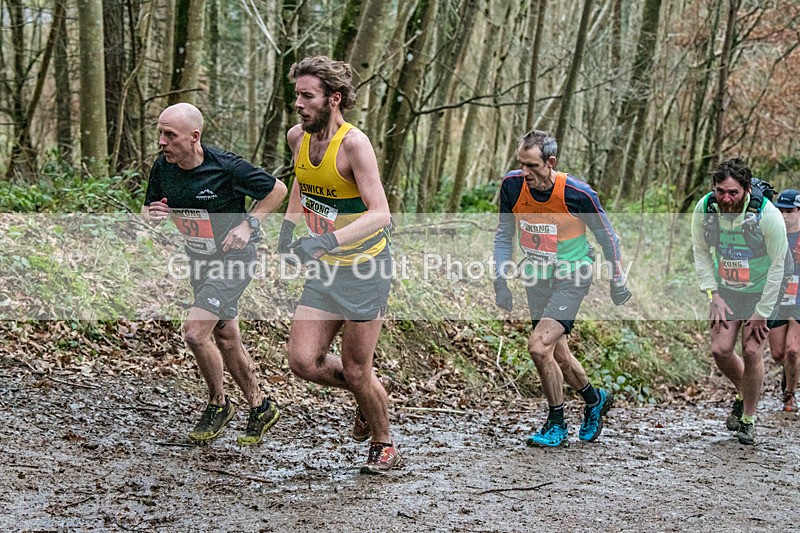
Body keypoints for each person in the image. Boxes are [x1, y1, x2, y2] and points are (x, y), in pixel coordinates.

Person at [142, 102, 287, 445]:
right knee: (225, 337)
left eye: (169, 135)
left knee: (195, 333)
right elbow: (149, 207)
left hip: (234, 262)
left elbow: (277, 190)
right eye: (159, 133)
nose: (161, 142)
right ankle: (260, 405)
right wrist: (155, 213)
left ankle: (218, 403)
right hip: (200, 261)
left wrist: (250, 225)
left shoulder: (226, 166)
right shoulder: (163, 167)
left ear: (194, 137)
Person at [280, 56, 397, 474]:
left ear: (335, 98)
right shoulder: (298, 137)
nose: (298, 103)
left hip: (366, 270)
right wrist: (286, 232)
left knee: (355, 368)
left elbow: (380, 212)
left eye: (307, 96)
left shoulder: (354, 145)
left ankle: (384, 442)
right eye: (297, 95)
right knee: (302, 360)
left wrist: (325, 239)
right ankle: (371, 392)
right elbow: (302, 182)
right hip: (326, 269)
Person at [493, 130, 631, 448]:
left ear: (550, 162)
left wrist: (617, 279)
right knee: (559, 355)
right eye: (521, 164)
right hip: (537, 278)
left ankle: (557, 423)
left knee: (539, 347)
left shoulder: (578, 193)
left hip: (572, 278)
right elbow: (504, 234)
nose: (524, 172)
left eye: (531, 165)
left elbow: (609, 238)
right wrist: (500, 278)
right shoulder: (512, 186)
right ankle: (594, 399)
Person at [690, 158, 788, 445]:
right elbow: (700, 252)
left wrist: (762, 312)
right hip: (728, 288)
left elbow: (779, 266)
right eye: (721, 191)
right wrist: (713, 294)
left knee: (752, 349)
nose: (726, 198)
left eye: (733, 192)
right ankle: (746, 389)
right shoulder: (706, 209)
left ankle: (748, 418)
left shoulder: (767, 215)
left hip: (764, 287)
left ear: (746, 189)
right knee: (720, 350)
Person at [767, 189, 800, 412]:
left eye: (789, 211)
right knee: (778, 353)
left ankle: (790, 395)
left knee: (792, 350)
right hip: (778, 297)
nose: (784, 215)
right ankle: (789, 374)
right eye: (781, 210)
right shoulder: (772, 232)